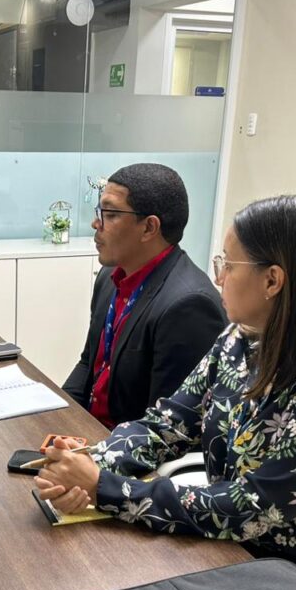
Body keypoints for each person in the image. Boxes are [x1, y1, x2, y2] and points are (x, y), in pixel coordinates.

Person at [39, 195, 296, 590]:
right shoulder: (241, 337)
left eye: (227, 265)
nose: (218, 277)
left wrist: (105, 486)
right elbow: (168, 422)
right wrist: (97, 460)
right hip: (243, 551)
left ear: (272, 280)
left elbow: (254, 506)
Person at [62, 163, 225, 428]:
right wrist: (56, 419)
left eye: (110, 213)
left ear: (149, 228)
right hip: (89, 432)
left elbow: (166, 427)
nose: (96, 223)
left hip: (128, 451)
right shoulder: (110, 277)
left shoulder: (189, 306)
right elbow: (88, 364)